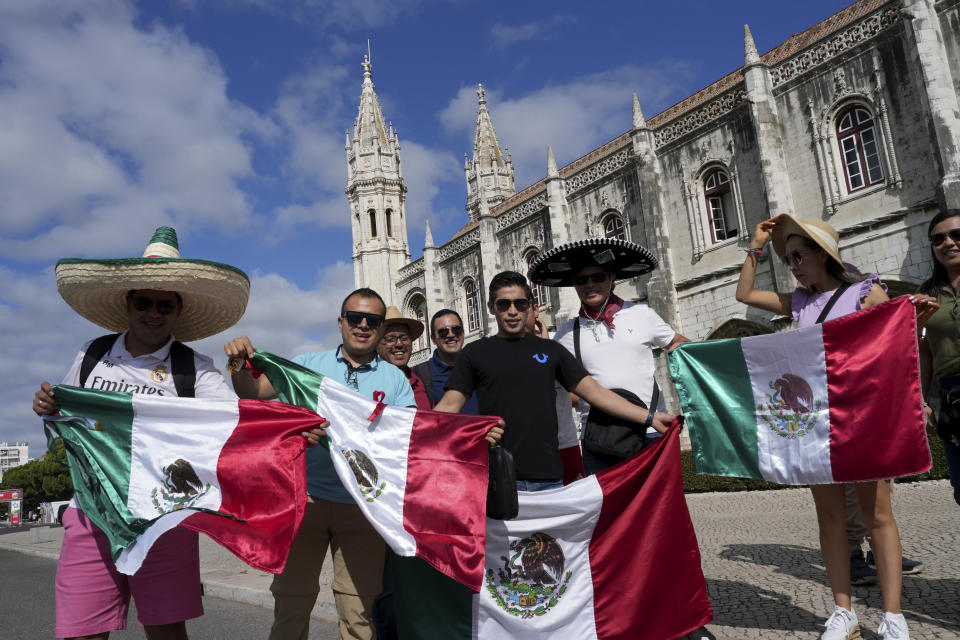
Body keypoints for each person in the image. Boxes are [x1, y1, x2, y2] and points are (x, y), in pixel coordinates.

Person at [32, 227, 252, 640]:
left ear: (177, 310)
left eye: (165, 305)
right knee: (81, 632)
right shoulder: (91, 354)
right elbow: (64, 419)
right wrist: (46, 406)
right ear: (128, 303)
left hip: (161, 520)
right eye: (144, 302)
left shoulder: (196, 368)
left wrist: (291, 429)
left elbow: (236, 422)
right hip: (90, 514)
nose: (154, 312)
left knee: (167, 631)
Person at [735, 214, 936, 640]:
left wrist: (916, 323)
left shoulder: (867, 291)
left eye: (798, 256)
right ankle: (843, 612)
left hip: (865, 416)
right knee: (830, 520)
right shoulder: (799, 303)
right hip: (815, 423)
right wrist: (755, 246)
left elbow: (895, 345)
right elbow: (745, 293)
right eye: (787, 258)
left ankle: (893, 614)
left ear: (823, 255)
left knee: (877, 514)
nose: (792, 265)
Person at [224, 288, 414, 640]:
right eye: (355, 317)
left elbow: (408, 440)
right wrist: (238, 361)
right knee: (290, 609)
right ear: (340, 322)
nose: (362, 325)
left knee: (358, 617)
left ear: (381, 328)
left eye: (372, 320)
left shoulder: (395, 380)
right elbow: (252, 392)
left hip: (363, 507)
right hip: (304, 500)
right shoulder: (309, 365)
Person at [434, 271, 674, 491]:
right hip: (499, 477)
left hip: (548, 477)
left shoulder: (552, 350)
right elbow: (446, 411)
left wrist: (650, 417)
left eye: (520, 303)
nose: (512, 311)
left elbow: (596, 394)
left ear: (530, 306)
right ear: (491, 307)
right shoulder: (475, 353)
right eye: (503, 304)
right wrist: (472, 433)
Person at [529, 238, 690, 475]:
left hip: (650, 431)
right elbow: (564, 389)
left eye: (597, 277)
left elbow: (678, 345)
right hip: (599, 438)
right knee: (609, 510)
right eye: (581, 280)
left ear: (612, 278)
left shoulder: (641, 314)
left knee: (658, 509)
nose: (589, 284)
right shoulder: (566, 333)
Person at [918, 208, 960, 507]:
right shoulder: (927, 294)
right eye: (939, 238)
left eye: (957, 235)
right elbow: (922, 351)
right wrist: (920, 401)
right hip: (952, 396)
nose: (948, 243)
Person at [412, 309, 479, 413]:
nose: (451, 335)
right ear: (433, 339)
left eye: (456, 329)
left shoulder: (480, 367)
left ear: (463, 333)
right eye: (443, 332)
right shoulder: (420, 375)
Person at [376, 306, 432, 410]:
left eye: (404, 338)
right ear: (376, 345)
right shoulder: (370, 384)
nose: (399, 344)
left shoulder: (422, 382)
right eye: (390, 339)